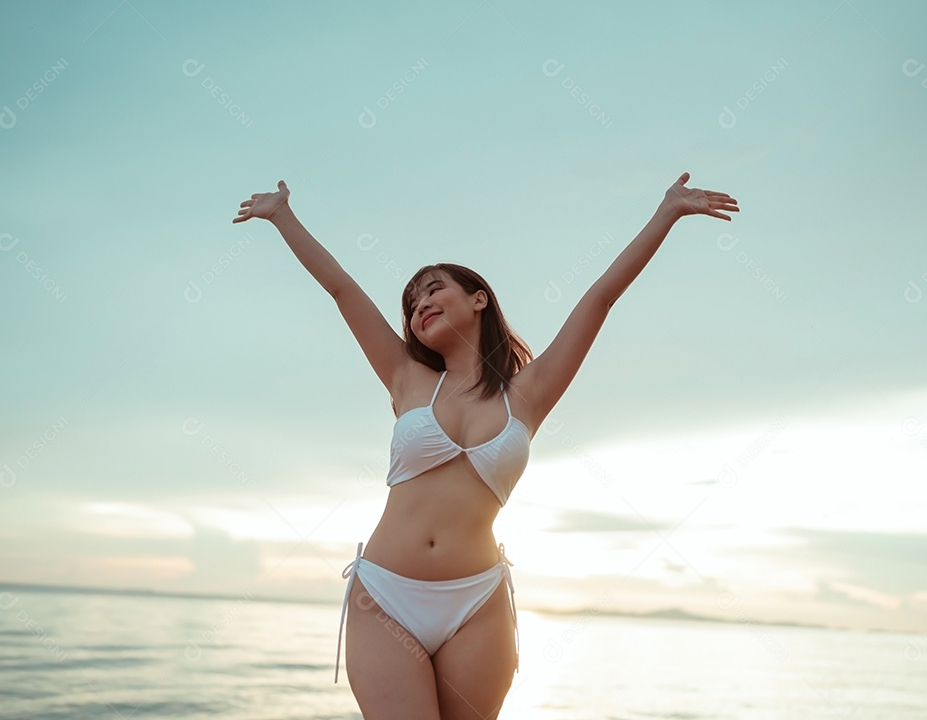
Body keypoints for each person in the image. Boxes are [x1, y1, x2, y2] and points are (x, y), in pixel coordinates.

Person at [232, 172, 738, 720]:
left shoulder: (529, 394)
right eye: (411, 303)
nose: (419, 305)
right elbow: (342, 289)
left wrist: (666, 212)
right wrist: (282, 216)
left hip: (477, 600)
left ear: (478, 299)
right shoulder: (406, 379)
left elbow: (602, 297)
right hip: (385, 597)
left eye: (433, 289)